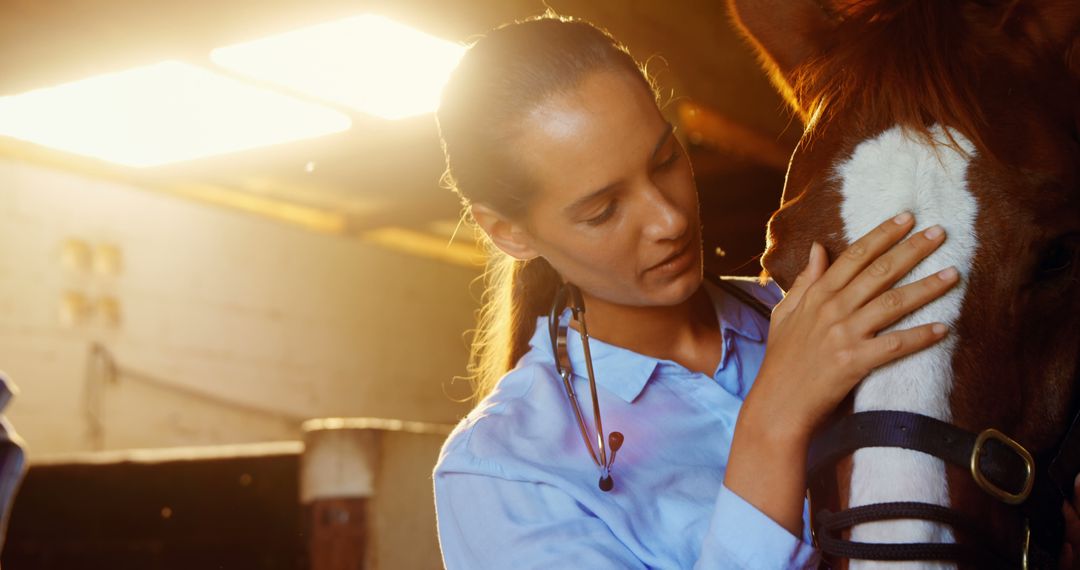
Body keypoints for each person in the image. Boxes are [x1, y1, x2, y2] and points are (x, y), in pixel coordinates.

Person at [431, 14, 958, 569]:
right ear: (508, 232)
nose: (668, 220)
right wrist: (773, 421)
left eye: (665, 160)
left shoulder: (819, 313)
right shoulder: (500, 470)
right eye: (603, 210)